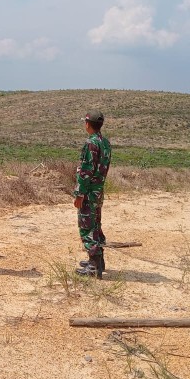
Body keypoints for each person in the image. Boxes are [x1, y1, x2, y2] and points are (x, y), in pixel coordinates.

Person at [73, 109, 112, 278]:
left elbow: (86, 171)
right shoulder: (105, 142)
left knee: (87, 227)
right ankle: (98, 261)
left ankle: (94, 267)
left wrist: (79, 194)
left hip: (89, 192)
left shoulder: (91, 143)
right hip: (98, 191)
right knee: (96, 224)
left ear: (87, 124)